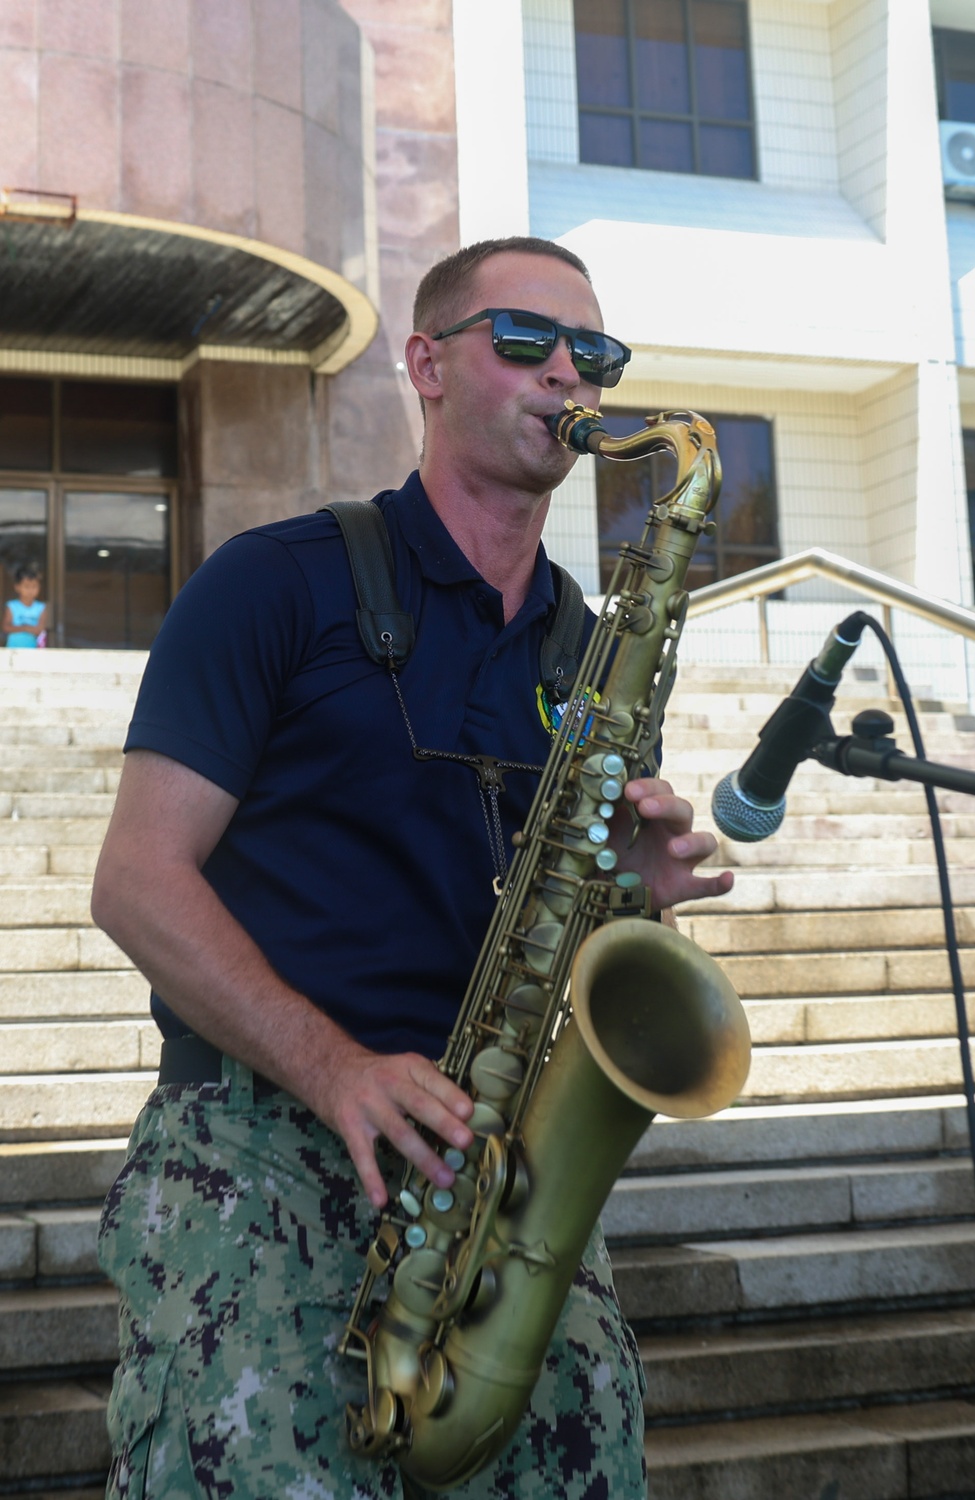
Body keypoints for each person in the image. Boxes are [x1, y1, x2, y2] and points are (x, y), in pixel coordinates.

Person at [92, 235, 735, 1500]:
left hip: (482, 1162)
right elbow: (136, 880)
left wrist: (631, 899)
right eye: (526, 343)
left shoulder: (584, 652)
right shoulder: (275, 584)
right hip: (260, 1137)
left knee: (590, 1455)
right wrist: (335, 1067)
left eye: (593, 355)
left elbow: (560, 949)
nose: (569, 377)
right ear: (427, 364)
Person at [3, 565, 46, 647]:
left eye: (34, 586)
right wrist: (26, 628)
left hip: (32, 650)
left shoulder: (41, 607)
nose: (30, 590)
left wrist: (18, 628)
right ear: (17, 587)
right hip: (12, 650)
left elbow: (40, 630)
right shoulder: (12, 606)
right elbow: (6, 627)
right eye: (26, 586)